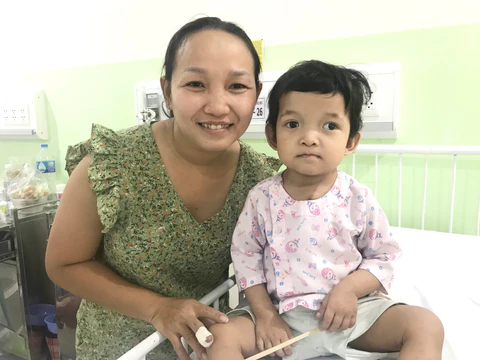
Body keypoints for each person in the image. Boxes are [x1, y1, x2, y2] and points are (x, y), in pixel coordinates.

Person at [45, 17, 282, 360]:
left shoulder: (260, 182)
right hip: (118, 348)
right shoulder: (114, 162)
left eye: (237, 87)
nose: (217, 105)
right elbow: (63, 264)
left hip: (207, 346)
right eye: (196, 84)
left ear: (256, 94)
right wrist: (157, 308)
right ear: (167, 90)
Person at [206, 60, 445, 360]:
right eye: (293, 124)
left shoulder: (357, 198)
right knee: (219, 337)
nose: (310, 137)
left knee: (426, 325)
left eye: (329, 126)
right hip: (281, 318)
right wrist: (265, 315)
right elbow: (245, 256)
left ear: (351, 140)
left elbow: (385, 256)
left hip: (351, 316)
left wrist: (350, 291)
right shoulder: (262, 199)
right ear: (272, 136)